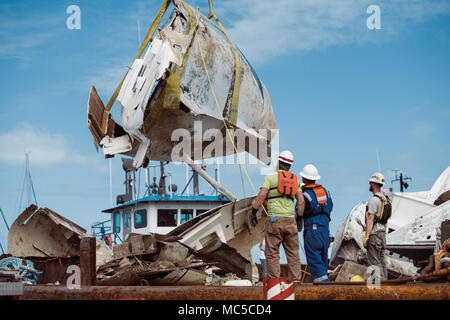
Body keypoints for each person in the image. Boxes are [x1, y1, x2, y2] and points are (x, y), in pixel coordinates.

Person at [249, 150, 305, 281]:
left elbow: (262, 195)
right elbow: (301, 201)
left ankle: (274, 282)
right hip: (291, 220)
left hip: (274, 220)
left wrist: (253, 212)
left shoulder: (270, 178)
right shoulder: (295, 180)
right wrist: (300, 219)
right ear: (290, 166)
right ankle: (296, 282)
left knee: (272, 252)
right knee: (293, 253)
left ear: (279, 163)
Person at [299, 164, 333, 282]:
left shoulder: (305, 195)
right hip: (325, 230)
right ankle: (324, 285)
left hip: (313, 232)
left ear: (304, 178)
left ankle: (324, 290)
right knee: (323, 261)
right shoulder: (326, 192)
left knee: (315, 262)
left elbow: (299, 211)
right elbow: (330, 207)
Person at [363, 172, 389, 280]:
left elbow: (370, 218)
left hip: (374, 234)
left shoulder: (374, 200)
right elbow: (385, 220)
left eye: (370, 182)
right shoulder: (386, 200)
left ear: (373, 184)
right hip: (382, 234)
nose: (369, 184)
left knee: (374, 263)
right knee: (382, 262)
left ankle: (378, 289)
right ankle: (387, 286)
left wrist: (367, 236)